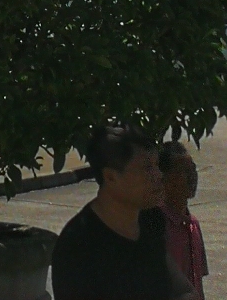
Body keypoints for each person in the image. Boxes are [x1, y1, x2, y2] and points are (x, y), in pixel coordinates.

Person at [51, 122, 198, 299]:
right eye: (147, 168)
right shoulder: (78, 246)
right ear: (111, 177)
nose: (159, 176)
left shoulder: (151, 220)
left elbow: (183, 290)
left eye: (156, 166)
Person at [159, 141, 208, 299]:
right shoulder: (154, 227)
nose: (192, 176)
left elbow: (198, 284)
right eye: (183, 171)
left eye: (193, 169)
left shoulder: (193, 225)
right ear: (163, 179)